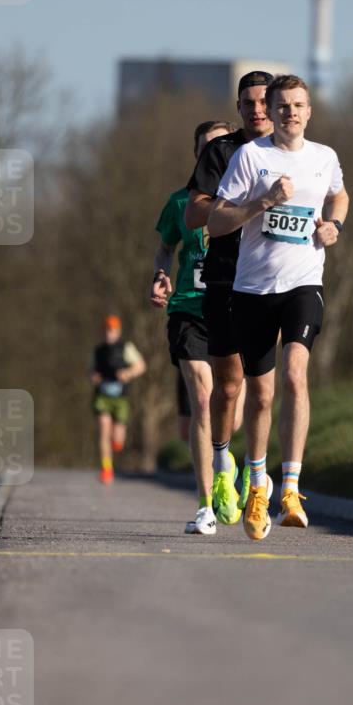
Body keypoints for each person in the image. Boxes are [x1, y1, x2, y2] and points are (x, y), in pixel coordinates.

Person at [209, 74, 349, 540]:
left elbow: (339, 194)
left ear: (310, 111)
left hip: (303, 283)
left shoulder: (324, 158)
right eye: (283, 105)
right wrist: (264, 201)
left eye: (299, 105)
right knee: (262, 394)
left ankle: (290, 487)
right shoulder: (253, 157)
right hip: (252, 290)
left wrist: (335, 226)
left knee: (295, 373)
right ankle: (256, 486)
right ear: (271, 110)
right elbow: (216, 221)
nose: (291, 112)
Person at [184, 71, 274, 525]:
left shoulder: (297, 153)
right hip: (224, 277)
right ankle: (223, 463)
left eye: (264, 101)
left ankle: (262, 476)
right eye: (248, 103)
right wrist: (234, 202)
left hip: (276, 279)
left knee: (267, 385)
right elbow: (192, 211)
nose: (257, 109)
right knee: (230, 384)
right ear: (238, 108)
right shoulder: (222, 152)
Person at [151, 119, 236, 534]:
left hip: (235, 308)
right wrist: (160, 275)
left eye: (223, 147)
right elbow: (165, 247)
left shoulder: (247, 196)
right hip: (188, 309)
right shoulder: (179, 202)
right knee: (202, 401)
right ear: (197, 155)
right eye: (208, 149)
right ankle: (205, 504)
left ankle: (226, 458)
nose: (216, 155)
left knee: (229, 407)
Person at [90, 315, 146, 484]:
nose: (109, 334)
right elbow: (91, 370)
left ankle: (117, 443)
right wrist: (94, 376)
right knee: (104, 429)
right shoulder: (98, 351)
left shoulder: (126, 348)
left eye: (113, 330)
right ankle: (106, 469)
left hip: (121, 397)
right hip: (103, 396)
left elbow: (141, 366)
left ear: (118, 331)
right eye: (107, 330)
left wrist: (127, 374)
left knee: (117, 436)